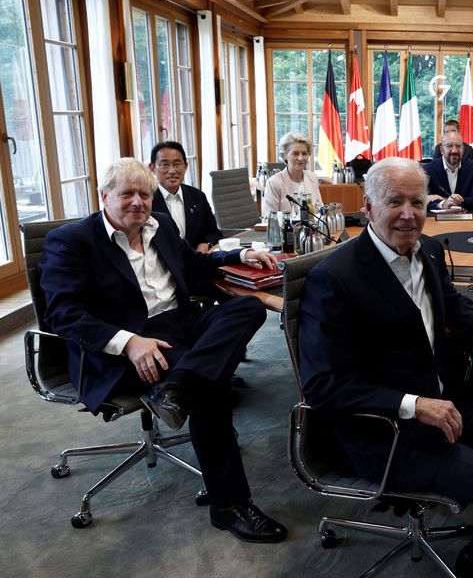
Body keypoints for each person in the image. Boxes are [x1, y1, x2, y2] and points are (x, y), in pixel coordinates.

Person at [298, 157, 473, 578]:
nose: (409, 214)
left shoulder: (427, 249)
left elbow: (453, 301)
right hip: (386, 431)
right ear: (369, 206)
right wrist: (414, 405)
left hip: (445, 402)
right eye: (395, 202)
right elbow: (323, 386)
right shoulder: (336, 278)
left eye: (417, 202)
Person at [37, 158, 287, 543]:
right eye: (127, 194)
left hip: (178, 323)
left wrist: (239, 256)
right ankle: (229, 506)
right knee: (211, 392)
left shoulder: (161, 225)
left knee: (248, 307)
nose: (138, 202)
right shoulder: (72, 241)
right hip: (124, 343)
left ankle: (177, 387)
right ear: (104, 197)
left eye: (145, 194)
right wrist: (129, 342)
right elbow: (62, 314)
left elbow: (194, 263)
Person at [149, 141, 222, 253]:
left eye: (177, 164)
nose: (172, 171)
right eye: (165, 165)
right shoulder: (146, 201)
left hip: (197, 260)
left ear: (186, 166)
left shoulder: (198, 196)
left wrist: (206, 244)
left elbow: (214, 232)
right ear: (152, 168)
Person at [263, 132, 325, 214]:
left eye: (304, 153)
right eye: (295, 154)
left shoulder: (312, 177)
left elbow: (319, 208)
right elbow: (269, 216)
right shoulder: (274, 182)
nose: (301, 158)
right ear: (284, 156)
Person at [424, 130, 473, 211]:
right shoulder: (428, 169)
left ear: (463, 149)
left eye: (458, 146)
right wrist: (443, 204)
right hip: (437, 218)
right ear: (441, 150)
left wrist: (446, 200)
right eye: (449, 146)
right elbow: (423, 201)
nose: (454, 150)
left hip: (465, 217)